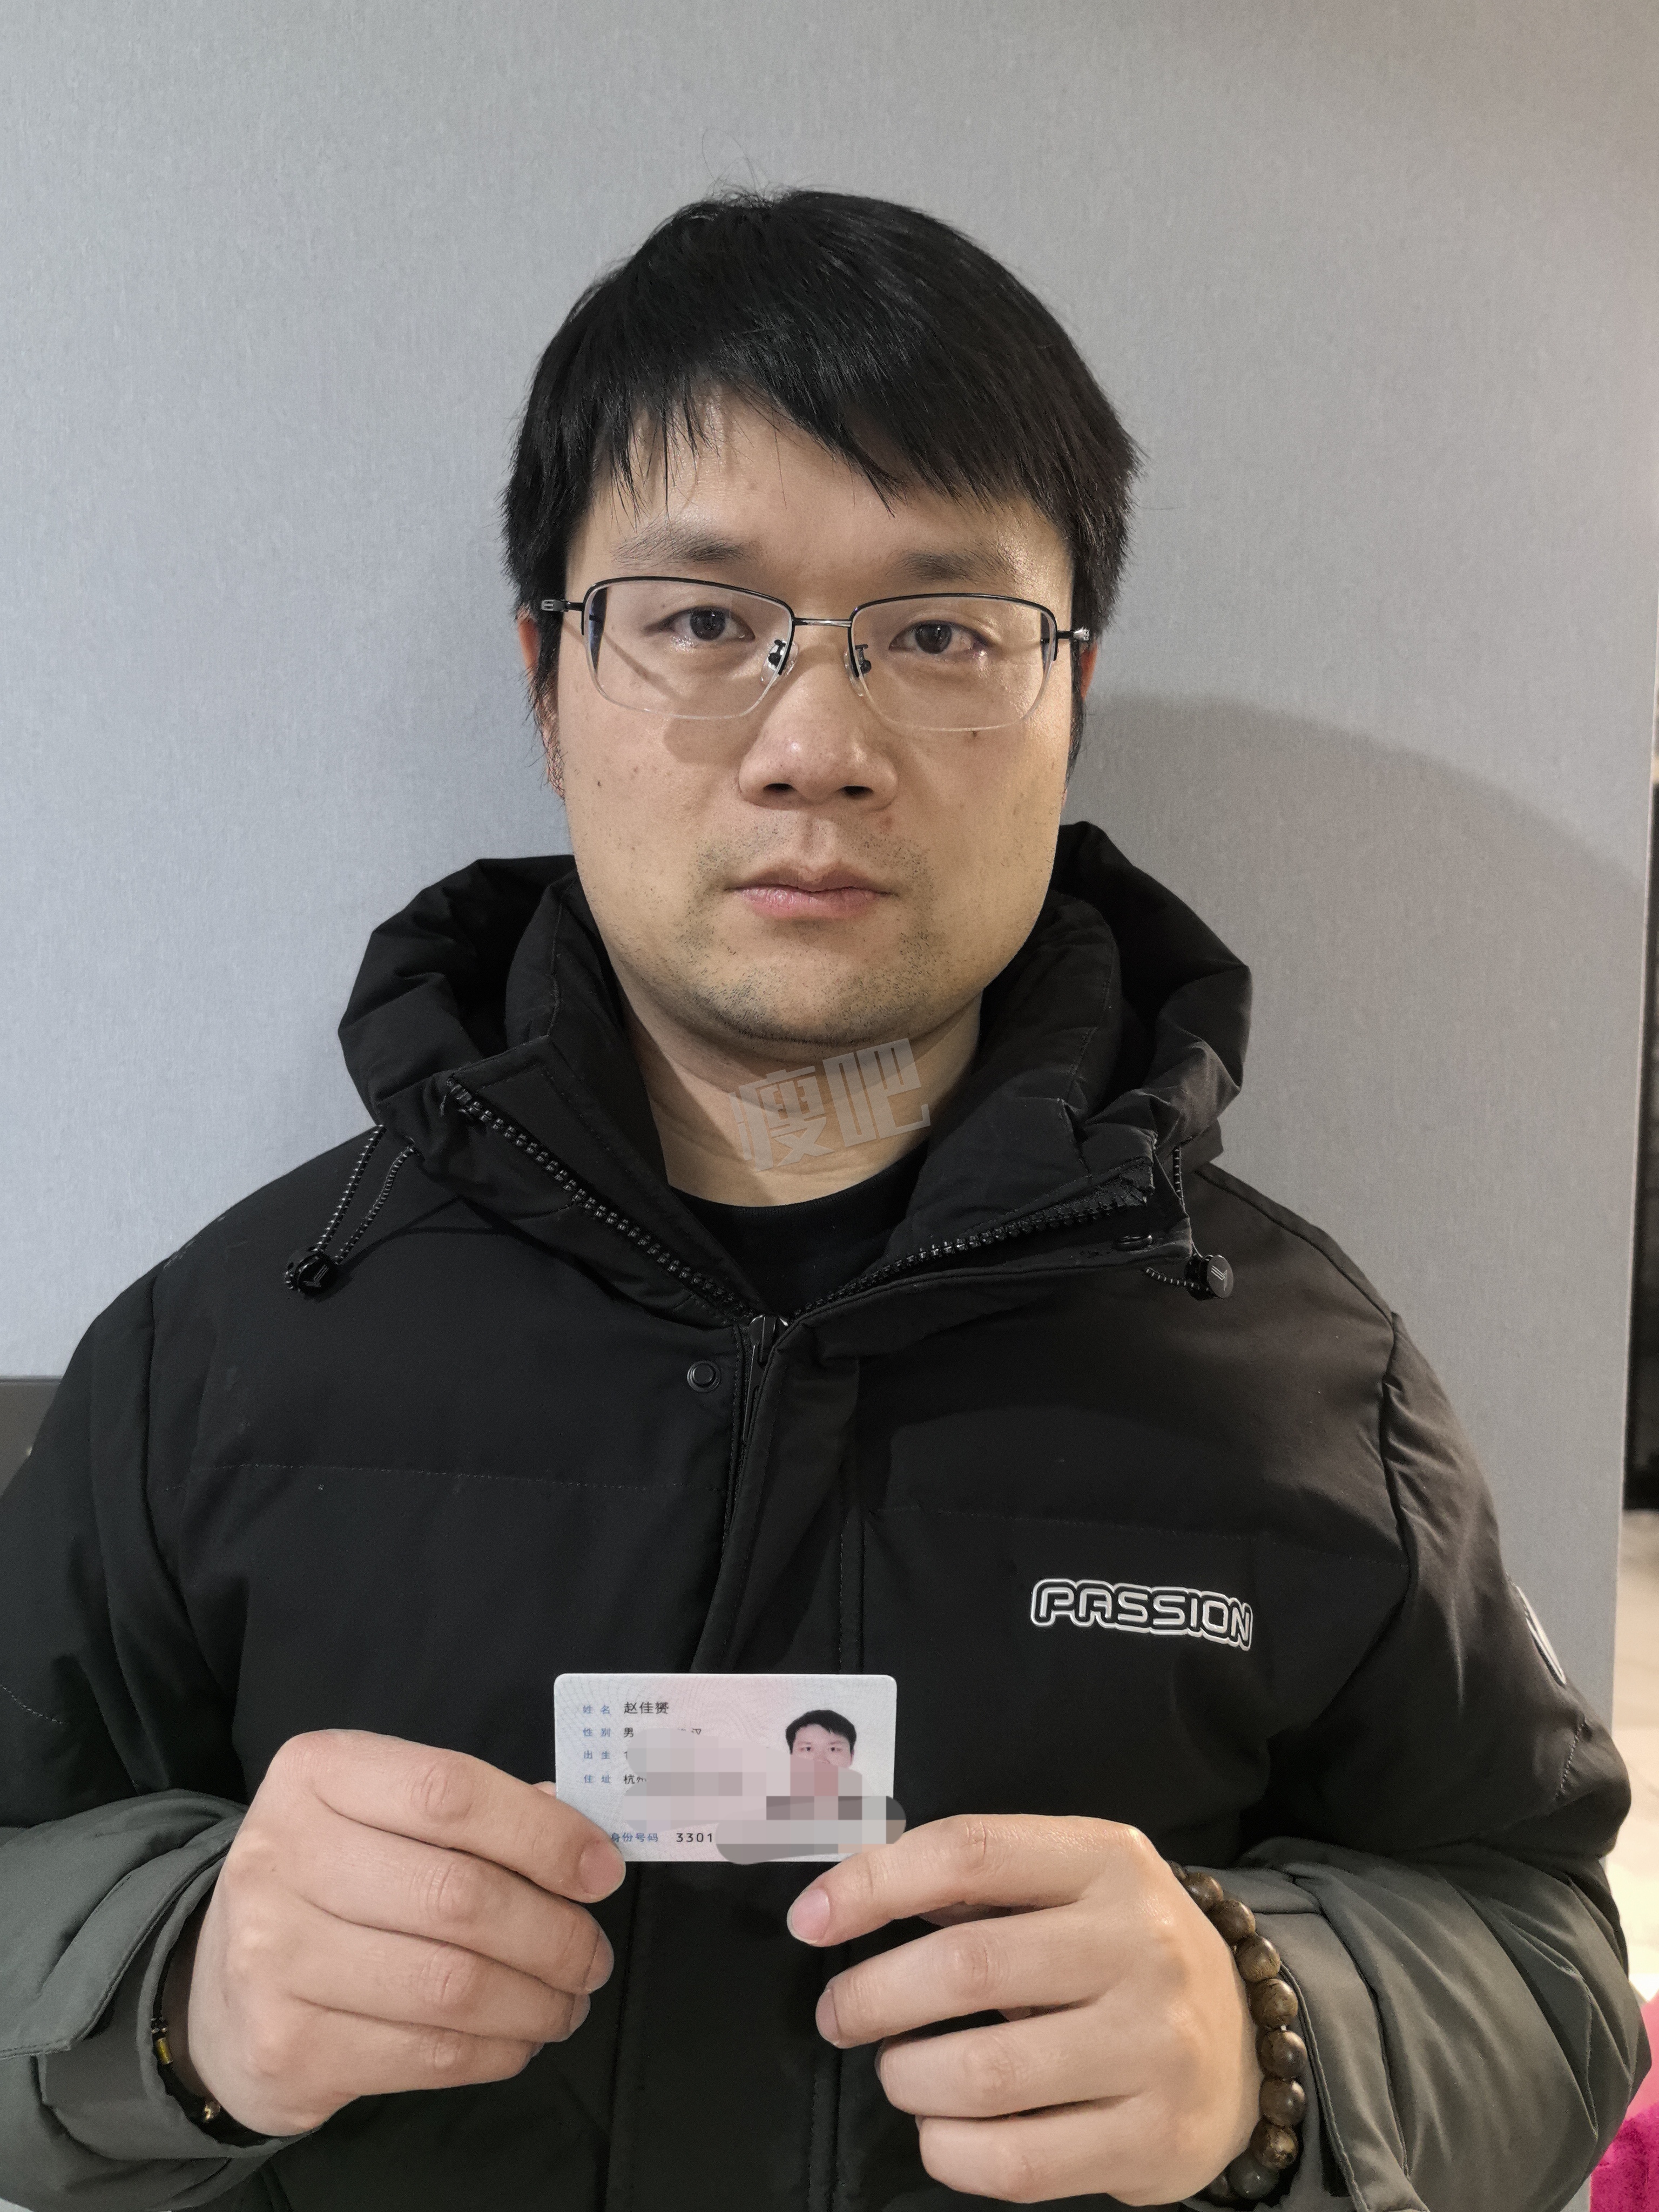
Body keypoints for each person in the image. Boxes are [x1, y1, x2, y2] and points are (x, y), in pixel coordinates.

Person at [0, 187, 1644, 2212]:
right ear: (546, 681)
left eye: (940, 635)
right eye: (703, 621)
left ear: (1070, 692)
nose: (817, 746)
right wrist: (173, 1992)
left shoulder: (1310, 1384)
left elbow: (1550, 1964)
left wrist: (1267, 2027)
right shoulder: (226, 1351)